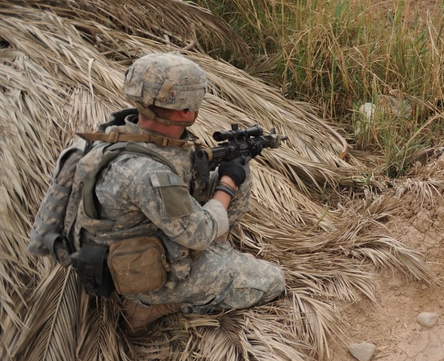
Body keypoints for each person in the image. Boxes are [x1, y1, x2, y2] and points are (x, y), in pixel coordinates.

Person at [66, 52, 285, 331]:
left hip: (143, 237)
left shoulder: (119, 133)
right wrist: (227, 183)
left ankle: (216, 255)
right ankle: (155, 304)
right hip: (144, 274)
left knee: (238, 172)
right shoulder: (149, 174)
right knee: (273, 280)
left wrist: (228, 172)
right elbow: (200, 234)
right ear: (185, 111)